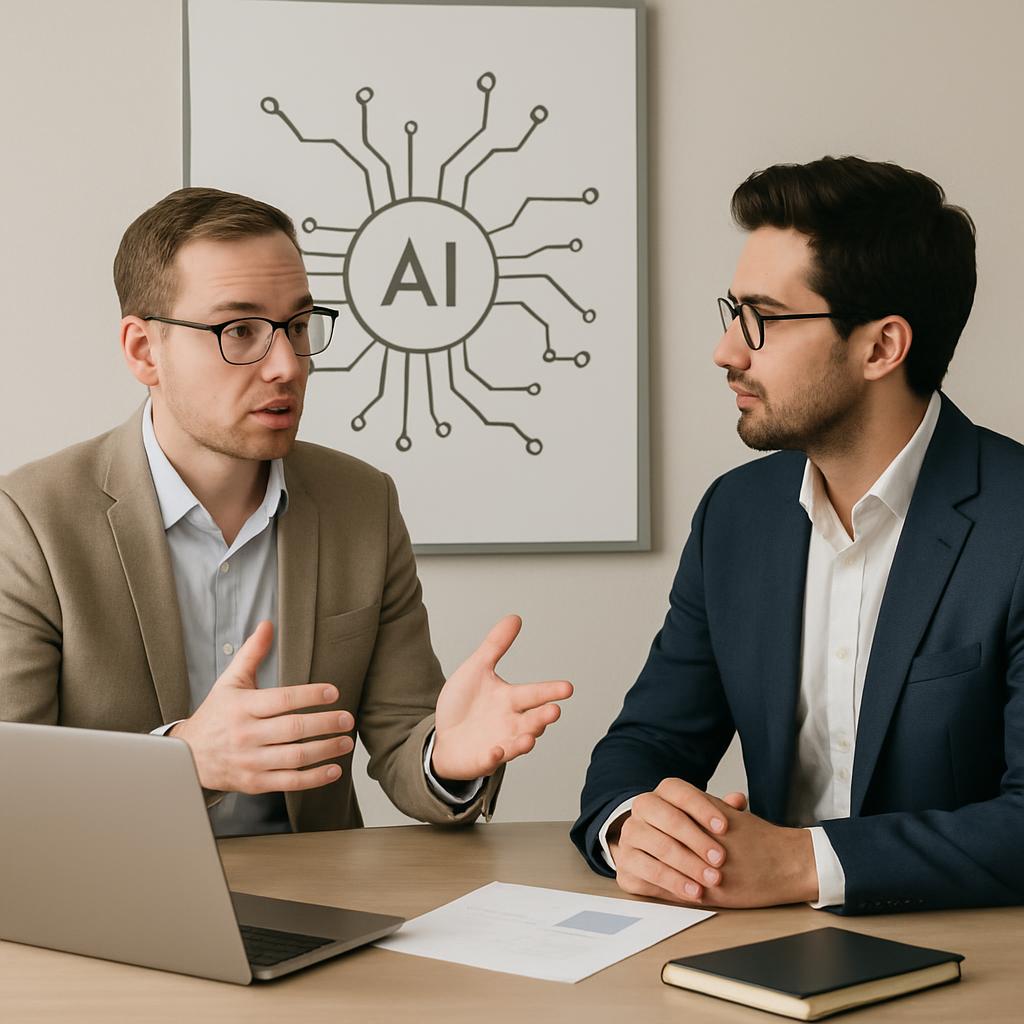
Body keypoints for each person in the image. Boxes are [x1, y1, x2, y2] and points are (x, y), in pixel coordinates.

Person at [0, 187, 572, 836]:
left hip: (315, 901)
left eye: (297, 327)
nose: (286, 365)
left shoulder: (362, 503)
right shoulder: (28, 522)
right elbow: (12, 788)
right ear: (142, 350)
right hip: (109, 902)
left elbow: (402, 739)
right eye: (239, 331)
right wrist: (182, 762)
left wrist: (447, 757)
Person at [572, 155, 1024, 914]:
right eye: (732, 310)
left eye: (764, 318)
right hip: (764, 961)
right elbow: (644, 747)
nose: (726, 349)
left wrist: (801, 863)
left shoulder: (1012, 523)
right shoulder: (735, 517)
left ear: (881, 347)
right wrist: (634, 831)